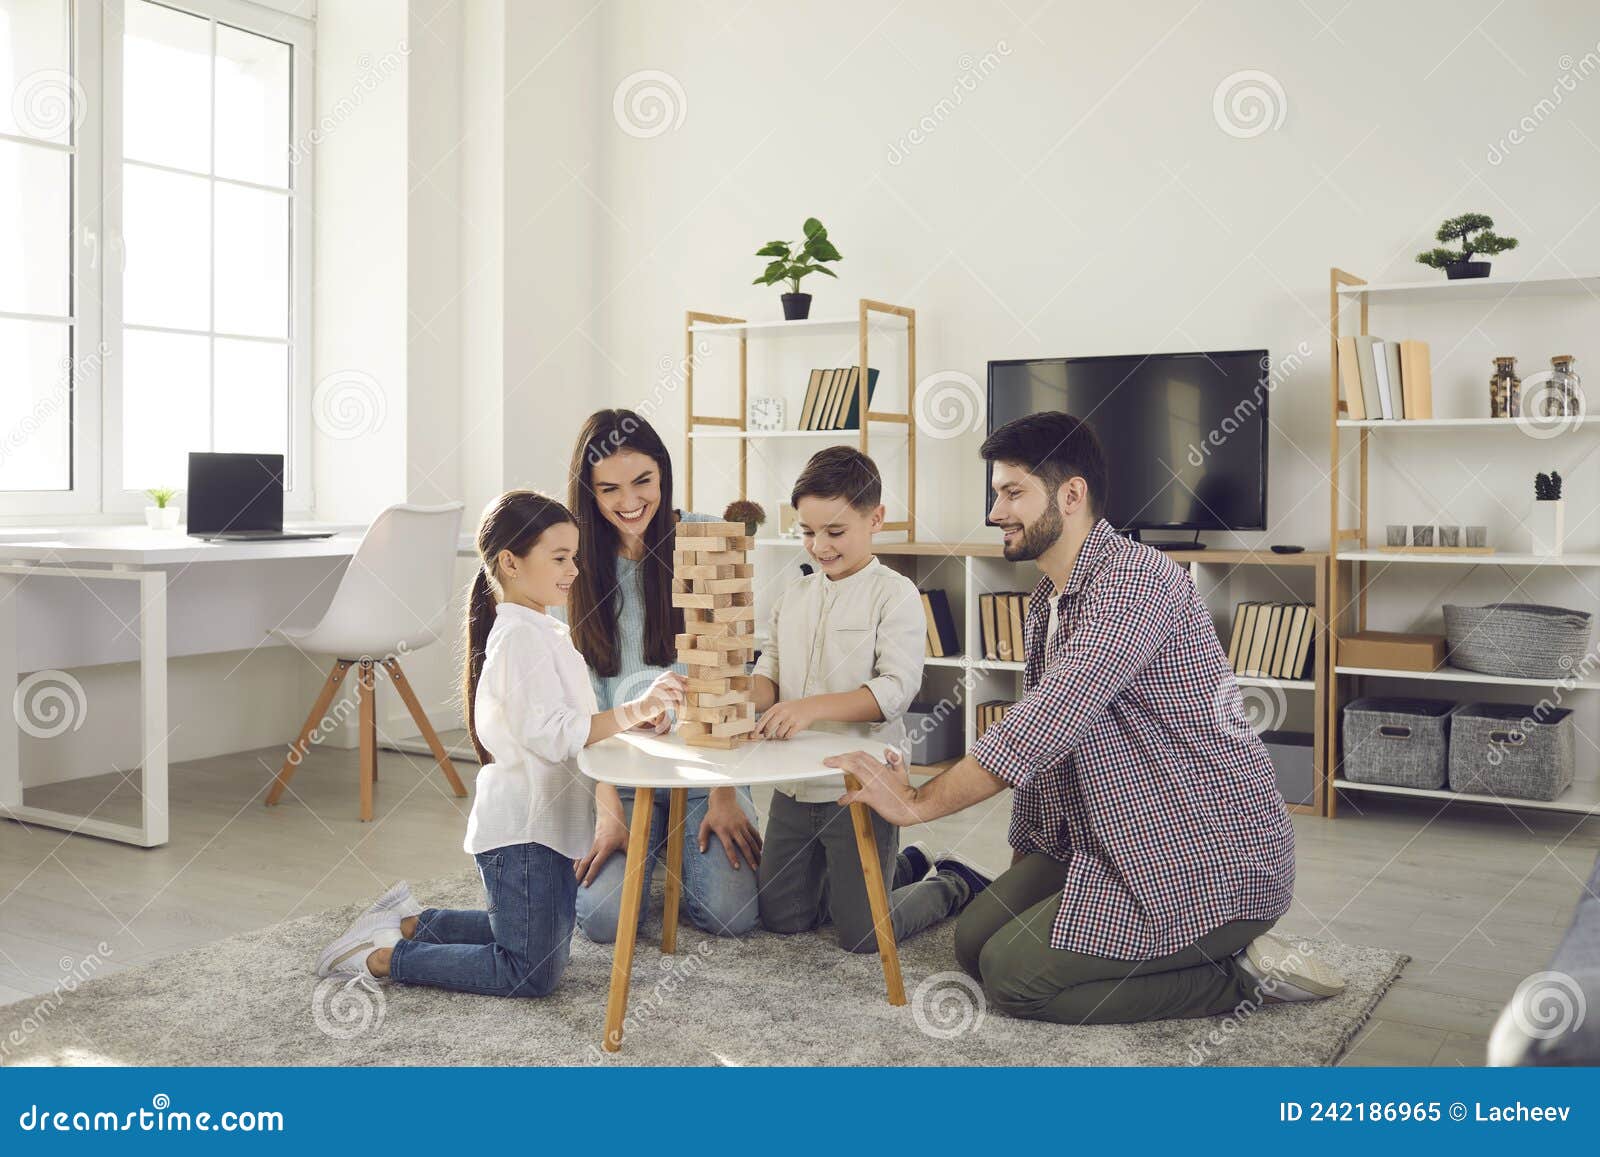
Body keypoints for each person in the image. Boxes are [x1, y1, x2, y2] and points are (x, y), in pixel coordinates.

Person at [827, 412, 1344, 1023]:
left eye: (1013, 493)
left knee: (1015, 981)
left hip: (1201, 854)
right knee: (973, 944)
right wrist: (1027, 861)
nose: (996, 512)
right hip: (1108, 836)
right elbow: (1054, 761)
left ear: (1071, 495)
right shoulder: (1051, 595)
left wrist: (915, 803)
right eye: (997, 493)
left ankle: (1241, 975)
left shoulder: (1136, 584)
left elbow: (1042, 726)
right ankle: (1187, 953)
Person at [314, 490, 684, 995]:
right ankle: (379, 958)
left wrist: (628, 722)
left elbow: (566, 719)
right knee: (530, 972)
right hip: (522, 833)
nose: (573, 569)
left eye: (573, 556)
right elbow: (557, 736)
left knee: (535, 941)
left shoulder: (542, 630)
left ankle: (408, 921)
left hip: (545, 827)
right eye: (559, 558)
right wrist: (638, 707)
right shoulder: (519, 639)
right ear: (510, 562)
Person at [752, 446, 990, 952]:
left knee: (863, 932)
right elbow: (767, 674)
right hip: (793, 787)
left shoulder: (895, 593)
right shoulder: (792, 597)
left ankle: (952, 881)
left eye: (834, 532)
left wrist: (810, 707)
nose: (819, 546)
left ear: (875, 518)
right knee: (781, 916)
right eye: (807, 532)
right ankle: (898, 865)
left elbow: (895, 691)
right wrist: (727, 693)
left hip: (862, 787)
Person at [561, 409, 764, 942]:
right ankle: (644, 846)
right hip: (621, 778)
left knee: (730, 916)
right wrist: (610, 814)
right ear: (590, 494)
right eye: (609, 489)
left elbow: (732, 675)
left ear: (663, 474)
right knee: (604, 921)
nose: (629, 502)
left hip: (707, 776)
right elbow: (584, 713)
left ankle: (672, 849)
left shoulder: (702, 538)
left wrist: (725, 795)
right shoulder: (573, 567)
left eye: (643, 482)